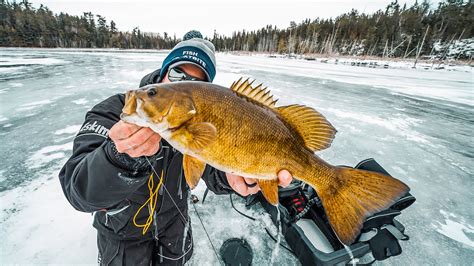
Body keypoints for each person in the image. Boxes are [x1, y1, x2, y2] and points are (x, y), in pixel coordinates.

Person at [59, 30, 292, 265]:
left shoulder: (199, 123)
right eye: (176, 72)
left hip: (175, 229)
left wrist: (232, 177)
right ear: (163, 74)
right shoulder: (112, 111)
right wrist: (117, 157)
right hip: (122, 237)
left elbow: (212, 169)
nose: (182, 82)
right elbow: (78, 191)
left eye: (194, 82)